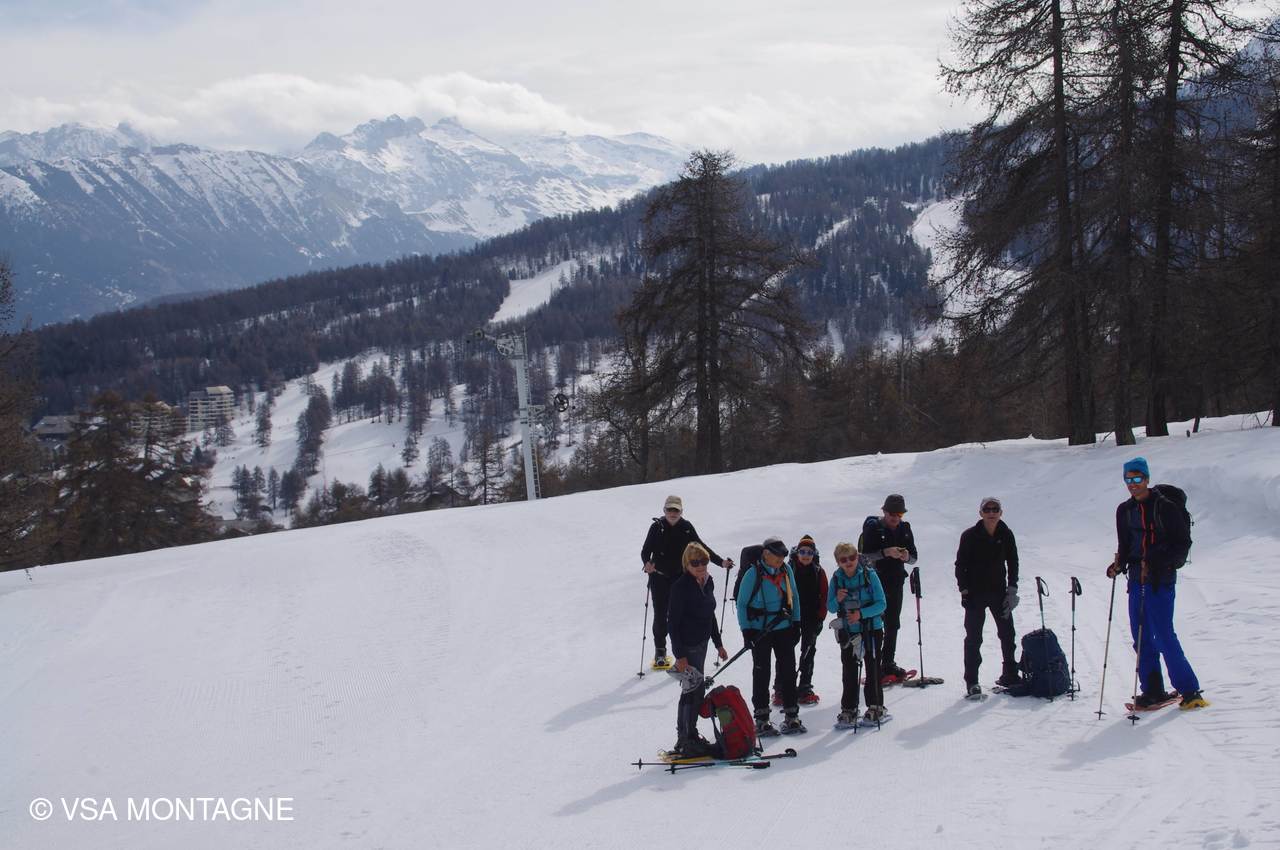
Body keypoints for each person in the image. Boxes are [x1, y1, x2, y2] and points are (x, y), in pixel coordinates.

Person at [1107, 457, 1208, 710]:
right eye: (1128, 479)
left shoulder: (1165, 508)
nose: (1132, 484)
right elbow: (1125, 545)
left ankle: (1190, 691)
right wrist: (1118, 565)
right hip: (1135, 579)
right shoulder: (1124, 510)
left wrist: (1156, 561)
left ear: (1147, 478)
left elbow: (1182, 544)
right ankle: (1152, 690)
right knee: (1140, 637)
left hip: (1160, 580)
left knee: (1163, 634)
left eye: (1137, 478)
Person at [640, 496, 734, 668]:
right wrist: (647, 564)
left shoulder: (686, 527)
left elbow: (701, 547)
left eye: (676, 510)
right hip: (659, 578)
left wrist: (721, 562)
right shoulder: (656, 527)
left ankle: (682, 652)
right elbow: (645, 551)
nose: (673, 513)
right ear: (664, 511)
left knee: (680, 616)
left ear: (681, 512)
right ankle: (660, 650)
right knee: (660, 614)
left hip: (679, 578)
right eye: (670, 510)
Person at [737, 536, 805, 735]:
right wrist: (746, 631)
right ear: (766, 554)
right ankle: (762, 717)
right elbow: (742, 604)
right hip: (760, 631)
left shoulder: (786, 570)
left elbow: (795, 597)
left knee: (788, 671)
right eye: (777, 557)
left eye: (783, 557)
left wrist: (796, 623)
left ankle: (792, 714)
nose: (780, 560)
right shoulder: (752, 574)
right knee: (762, 672)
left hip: (784, 627)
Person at [666, 542, 729, 757]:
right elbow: (672, 624)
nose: (701, 566)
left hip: (701, 643)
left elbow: (709, 614)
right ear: (687, 564)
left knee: (695, 690)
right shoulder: (681, 587)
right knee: (692, 691)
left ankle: (688, 736)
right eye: (695, 563)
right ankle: (686, 739)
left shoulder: (707, 581)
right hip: (687, 645)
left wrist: (718, 643)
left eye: (704, 561)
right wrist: (680, 655)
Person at [955, 496, 1022, 698]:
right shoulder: (969, 535)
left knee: (1008, 634)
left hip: (999, 593)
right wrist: (964, 591)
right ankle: (972, 682)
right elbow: (960, 565)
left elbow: (1013, 561)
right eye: (987, 509)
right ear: (981, 513)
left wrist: (1012, 589)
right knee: (974, 638)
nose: (991, 513)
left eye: (995, 509)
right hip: (975, 594)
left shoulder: (1006, 533)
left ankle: (1010, 674)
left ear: (1001, 512)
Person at [858, 494, 918, 685]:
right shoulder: (873, 528)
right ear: (884, 511)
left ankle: (888, 663)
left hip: (896, 581)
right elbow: (864, 557)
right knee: (875, 624)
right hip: (874, 583)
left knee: (893, 624)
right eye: (892, 513)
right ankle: (874, 665)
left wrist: (905, 556)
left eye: (899, 514)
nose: (895, 517)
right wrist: (886, 552)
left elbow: (914, 558)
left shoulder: (905, 529)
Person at [828, 542, 888, 725]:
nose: (849, 562)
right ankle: (849, 708)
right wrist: (837, 599)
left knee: (872, 667)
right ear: (838, 562)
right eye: (843, 559)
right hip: (849, 632)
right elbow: (830, 607)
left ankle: (876, 706)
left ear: (857, 557)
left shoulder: (870, 575)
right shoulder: (836, 579)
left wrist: (861, 614)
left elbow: (881, 604)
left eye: (852, 557)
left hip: (871, 629)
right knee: (849, 670)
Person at [784, 534, 827, 706]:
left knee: (808, 651)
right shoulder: (789, 569)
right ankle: (781, 687)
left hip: (811, 616)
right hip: (791, 617)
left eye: (809, 552)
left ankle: (805, 686)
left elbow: (824, 595)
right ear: (797, 552)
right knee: (785, 651)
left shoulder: (818, 571)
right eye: (802, 551)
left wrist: (821, 617)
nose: (806, 555)